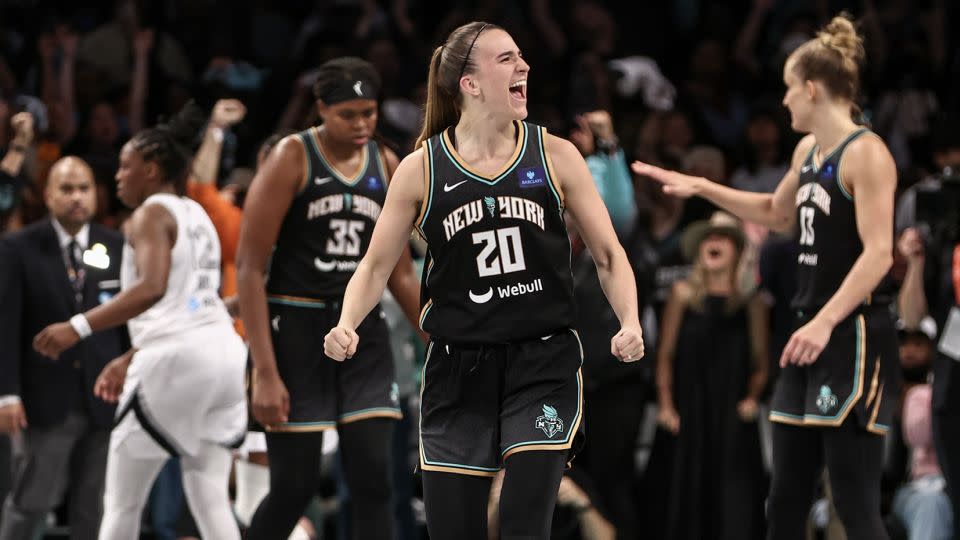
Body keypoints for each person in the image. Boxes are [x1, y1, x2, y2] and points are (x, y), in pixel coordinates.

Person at [322, 21, 644, 539]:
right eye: (506, 59)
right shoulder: (421, 168)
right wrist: (347, 323)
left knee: (522, 520)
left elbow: (609, 253)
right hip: (458, 366)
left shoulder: (555, 154)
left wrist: (628, 319)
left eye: (522, 56)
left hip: (543, 360)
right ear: (469, 84)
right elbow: (376, 266)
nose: (524, 67)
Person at [633, 14, 898, 540]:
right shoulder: (807, 152)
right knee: (783, 497)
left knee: (852, 497)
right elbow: (777, 214)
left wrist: (823, 323)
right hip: (806, 337)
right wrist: (701, 186)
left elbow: (880, 255)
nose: (783, 103)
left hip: (851, 336)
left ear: (812, 88)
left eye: (787, 91)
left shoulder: (866, 153)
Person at [32, 105, 247, 540]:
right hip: (223, 354)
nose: (117, 176)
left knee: (122, 502)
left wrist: (78, 326)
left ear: (151, 169)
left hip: (179, 358)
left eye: (126, 167)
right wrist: (132, 354)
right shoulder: (198, 215)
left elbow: (151, 288)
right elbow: (191, 307)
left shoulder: (150, 213)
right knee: (208, 495)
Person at [236, 57, 422, 540]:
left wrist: (441, 334)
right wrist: (265, 372)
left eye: (370, 112)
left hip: (361, 330)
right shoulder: (292, 158)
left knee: (375, 481)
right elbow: (250, 270)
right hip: (295, 332)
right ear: (321, 108)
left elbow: (400, 275)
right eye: (348, 114)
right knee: (293, 489)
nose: (362, 124)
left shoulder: (385, 163)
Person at [0, 156, 128, 540]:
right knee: (30, 502)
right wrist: (7, 394)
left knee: (95, 507)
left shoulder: (116, 245)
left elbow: (127, 326)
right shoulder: (18, 247)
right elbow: (6, 326)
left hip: (104, 398)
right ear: (47, 194)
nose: (77, 198)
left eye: (84, 188)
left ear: (97, 193)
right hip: (44, 400)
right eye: (67, 189)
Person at [654, 211, 768, 540]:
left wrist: (752, 398)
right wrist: (666, 404)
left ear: (736, 250)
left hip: (731, 412)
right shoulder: (682, 295)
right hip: (690, 410)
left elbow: (761, 362)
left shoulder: (751, 302)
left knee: (734, 497)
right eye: (708, 237)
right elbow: (665, 355)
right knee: (686, 492)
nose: (713, 242)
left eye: (722, 237)